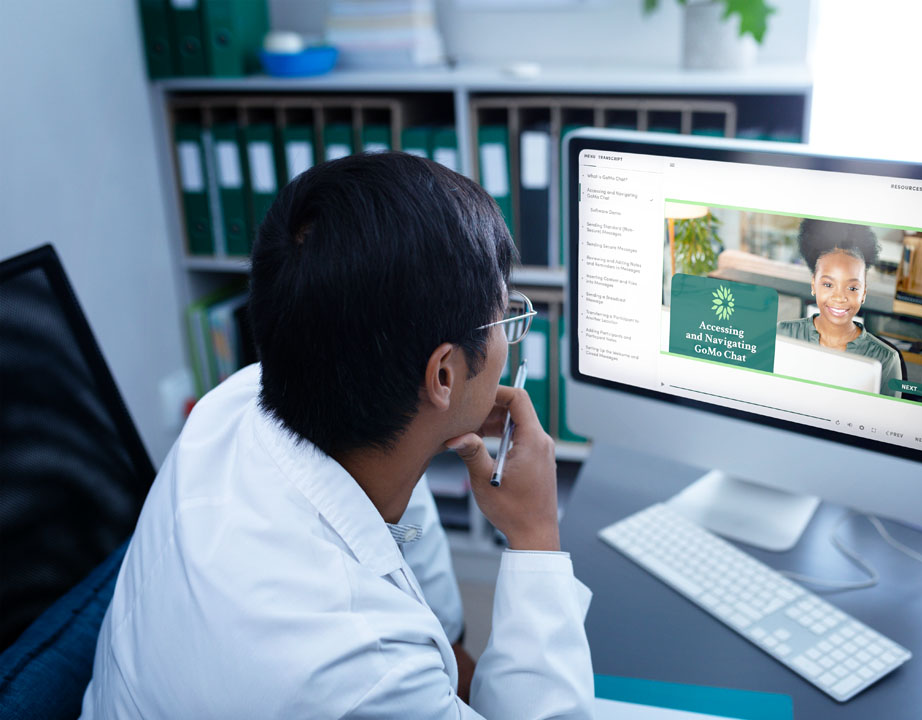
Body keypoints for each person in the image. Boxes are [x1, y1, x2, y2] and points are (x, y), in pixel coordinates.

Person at [81, 152, 594, 718]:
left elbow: (441, 633)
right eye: (506, 322)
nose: (509, 344)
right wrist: (535, 533)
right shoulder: (367, 672)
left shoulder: (234, 402)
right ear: (443, 375)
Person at [777, 219, 902, 397]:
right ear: (814, 284)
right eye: (828, 284)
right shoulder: (781, 335)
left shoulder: (886, 360)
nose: (839, 297)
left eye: (852, 288)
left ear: (864, 292)